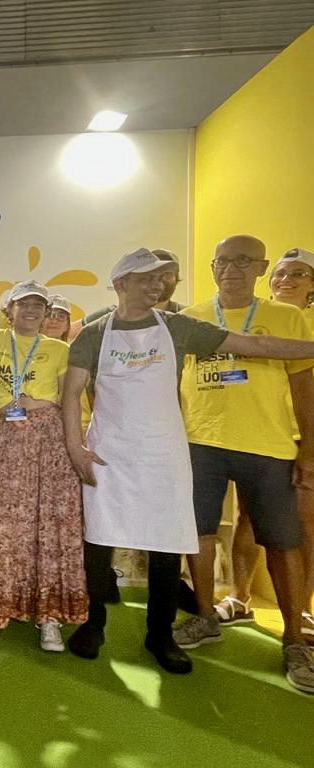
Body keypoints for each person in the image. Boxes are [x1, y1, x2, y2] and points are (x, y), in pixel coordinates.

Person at [63, 246, 314, 687]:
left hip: (163, 454)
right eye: (146, 278)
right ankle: (93, 623)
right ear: (121, 284)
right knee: (98, 540)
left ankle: (160, 635)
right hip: (109, 453)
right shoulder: (93, 334)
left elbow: (253, 345)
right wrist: (75, 448)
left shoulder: (178, 327)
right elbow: (71, 394)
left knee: (166, 544)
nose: (157, 285)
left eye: (161, 278)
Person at [171, 235, 314, 691]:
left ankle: (294, 639)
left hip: (268, 446)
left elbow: (304, 388)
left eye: (243, 261)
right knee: (198, 532)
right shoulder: (191, 317)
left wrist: (309, 450)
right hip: (200, 442)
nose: (231, 269)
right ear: (213, 268)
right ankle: (205, 615)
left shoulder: (287, 318)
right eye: (223, 262)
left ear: (261, 268)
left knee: (283, 542)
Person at [0, 280, 87, 653]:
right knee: (3, 525)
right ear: (10, 310)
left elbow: (69, 399)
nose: (31, 311)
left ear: (46, 312)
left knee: (49, 526)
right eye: (24, 304)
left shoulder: (60, 349)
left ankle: (48, 616)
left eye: (38, 305)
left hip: (49, 441)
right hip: (6, 439)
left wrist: (74, 445)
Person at [217, 248, 314, 638]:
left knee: (301, 525)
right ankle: (239, 598)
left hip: (302, 438)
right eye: (281, 273)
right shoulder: (255, 317)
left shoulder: (305, 324)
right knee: (247, 519)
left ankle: (301, 610)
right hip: (260, 435)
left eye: (299, 274)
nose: (286, 280)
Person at [70, 249, 183, 340]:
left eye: (167, 274)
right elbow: (69, 333)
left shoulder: (186, 316)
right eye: (152, 274)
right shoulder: (108, 316)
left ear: (176, 279)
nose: (158, 281)